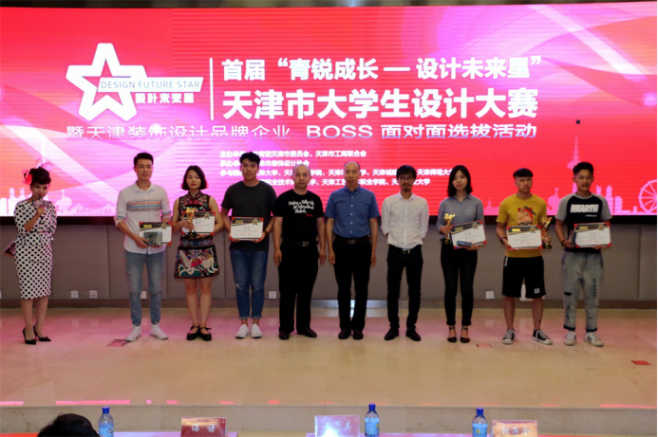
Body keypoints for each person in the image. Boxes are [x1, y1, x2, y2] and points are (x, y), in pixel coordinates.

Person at [115, 152, 171, 342]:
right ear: (134, 169)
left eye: (148, 166)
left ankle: (155, 325)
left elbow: (166, 216)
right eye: (141, 166)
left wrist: (162, 233)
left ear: (152, 168)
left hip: (157, 249)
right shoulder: (125, 193)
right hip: (133, 248)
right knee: (134, 289)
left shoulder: (160, 191)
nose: (145, 170)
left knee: (156, 288)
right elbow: (119, 220)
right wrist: (135, 237)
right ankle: (136, 326)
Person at [221, 152, 277, 339]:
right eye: (245, 165)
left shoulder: (267, 190)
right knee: (241, 286)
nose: (249, 169)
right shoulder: (233, 190)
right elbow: (223, 214)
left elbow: (275, 216)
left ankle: (256, 324)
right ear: (240, 167)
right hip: (238, 248)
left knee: (258, 286)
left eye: (252, 165)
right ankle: (243, 323)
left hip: (259, 247)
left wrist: (265, 232)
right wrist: (231, 231)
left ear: (258, 168)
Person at [556, 162, 612, 347]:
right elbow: (558, 224)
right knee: (570, 295)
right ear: (574, 179)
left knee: (592, 295)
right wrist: (563, 241)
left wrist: (602, 239)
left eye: (588, 177)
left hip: (593, 257)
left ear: (593, 179)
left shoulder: (600, 201)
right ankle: (570, 331)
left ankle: (591, 332)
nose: (585, 181)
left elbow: (606, 223)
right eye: (581, 177)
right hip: (572, 256)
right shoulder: (567, 201)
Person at [496, 168, 552, 345]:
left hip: (534, 256)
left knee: (537, 295)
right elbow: (499, 227)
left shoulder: (540, 203)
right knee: (509, 295)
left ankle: (537, 330)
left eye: (529, 179)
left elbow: (543, 227)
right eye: (522, 180)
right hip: (513, 256)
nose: (526, 183)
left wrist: (544, 237)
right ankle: (510, 330)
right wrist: (504, 240)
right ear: (515, 182)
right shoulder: (507, 203)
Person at [326, 161, 380, 340]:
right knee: (343, 289)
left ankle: (358, 327)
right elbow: (329, 222)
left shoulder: (369, 196)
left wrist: (373, 250)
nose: (350, 175)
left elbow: (373, 223)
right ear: (343, 174)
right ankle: (344, 326)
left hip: (362, 246)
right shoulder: (334, 196)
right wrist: (330, 248)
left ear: (360, 174)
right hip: (340, 246)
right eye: (347, 172)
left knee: (361, 289)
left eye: (353, 172)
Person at [273, 164, 326, 340]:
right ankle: (285, 327)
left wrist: (323, 247)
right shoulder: (283, 198)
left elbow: (320, 224)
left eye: (305, 175)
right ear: (292, 177)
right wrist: (277, 248)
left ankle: (304, 327)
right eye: (298, 175)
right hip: (288, 249)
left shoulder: (315, 199)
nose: (301, 178)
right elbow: (277, 224)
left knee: (306, 291)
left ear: (310, 177)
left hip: (309, 249)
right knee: (287, 291)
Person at [172, 165, 223, 341]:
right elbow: (173, 226)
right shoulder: (179, 201)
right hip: (186, 250)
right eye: (190, 177)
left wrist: (209, 231)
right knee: (190, 288)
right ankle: (194, 324)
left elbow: (220, 223)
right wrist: (181, 224)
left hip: (205, 249)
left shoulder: (209, 200)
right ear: (185, 180)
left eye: (196, 177)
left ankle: (203, 325)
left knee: (206, 288)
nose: (193, 180)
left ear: (202, 180)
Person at [381, 165, 429, 342]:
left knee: (415, 292)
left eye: (409, 177)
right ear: (397, 180)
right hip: (394, 251)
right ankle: (393, 327)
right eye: (403, 177)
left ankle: (411, 328)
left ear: (414, 180)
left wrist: (412, 240)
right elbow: (386, 228)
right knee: (392, 291)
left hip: (415, 252)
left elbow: (423, 229)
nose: (406, 181)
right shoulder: (389, 202)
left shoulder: (422, 203)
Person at [437, 165, 484, 343]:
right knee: (450, 289)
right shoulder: (445, 203)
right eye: (455, 177)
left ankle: (465, 327)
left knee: (467, 289)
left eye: (462, 177)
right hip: (449, 250)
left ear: (467, 179)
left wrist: (477, 243)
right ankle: (451, 326)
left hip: (468, 252)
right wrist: (442, 228)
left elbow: (480, 225)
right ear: (451, 181)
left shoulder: (477, 202)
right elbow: (438, 224)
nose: (459, 180)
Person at [14, 165, 56, 345]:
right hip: (26, 252)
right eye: (38, 187)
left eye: (44, 187)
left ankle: (39, 327)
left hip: (44, 251)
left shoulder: (50, 206)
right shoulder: (22, 206)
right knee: (28, 293)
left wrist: (42, 231)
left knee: (43, 292)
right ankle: (28, 329)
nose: (41, 191)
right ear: (31, 187)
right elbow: (24, 229)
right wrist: (37, 215)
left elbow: (52, 228)